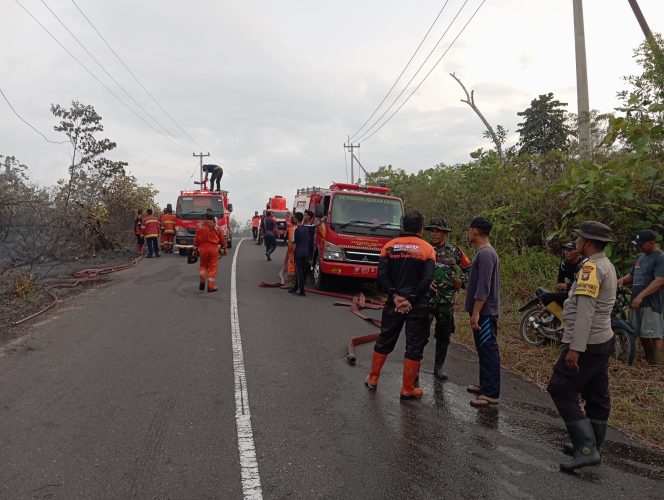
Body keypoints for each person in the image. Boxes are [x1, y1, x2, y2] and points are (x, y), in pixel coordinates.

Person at [546, 221, 617, 472]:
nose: (576, 242)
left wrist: (575, 348)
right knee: (597, 393)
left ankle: (586, 449)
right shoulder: (606, 265)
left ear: (586, 242)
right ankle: (593, 444)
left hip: (587, 342)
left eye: (579, 239)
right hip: (602, 339)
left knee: (560, 388)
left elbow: (585, 312)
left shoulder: (591, 269)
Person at [365, 211, 435, 400]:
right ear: (421, 228)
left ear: (403, 226)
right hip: (418, 304)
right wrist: (410, 298)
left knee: (385, 338)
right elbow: (428, 279)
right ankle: (407, 388)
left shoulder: (388, 247)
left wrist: (395, 296)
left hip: (393, 303)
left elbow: (381, 277)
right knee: (414, 345)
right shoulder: (427, 249)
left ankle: (373, 378)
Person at [425, 218, 472, 381]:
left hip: (446, 302)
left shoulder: (455, 251)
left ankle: (439, 367)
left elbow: (469, 269)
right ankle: (414, 367)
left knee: (444, 335)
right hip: (426, 300)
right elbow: (414, 271)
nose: (434, 233)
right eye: (432, 230)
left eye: (438, 230)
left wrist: (462, 281)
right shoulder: (424, 249)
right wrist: (424, 282)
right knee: (420, 334)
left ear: (445, 233)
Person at [465, 216, 501, 408]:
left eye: (470, 230)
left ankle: (491, 393)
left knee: (488, 350)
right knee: (483, 349)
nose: (469, 234)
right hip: (483, 312)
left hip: (485, 313)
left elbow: (484, 287)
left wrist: (476, 312)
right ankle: (485, 384)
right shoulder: (482, 252)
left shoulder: (486, 253)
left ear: (475, 231)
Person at [617, 229, 664, 365]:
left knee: (655, 334)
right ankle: (650, 360)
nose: (639, 247)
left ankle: (659, 366)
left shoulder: (660, 257)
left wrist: (641, 296)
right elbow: (632, 274)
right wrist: (621, 280)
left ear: (652, 242)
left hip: (652, 303)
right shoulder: (640, 257)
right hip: (636, 302)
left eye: (641, 244)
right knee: (642, 334)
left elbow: (660, 280)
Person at [541, 241, 583, 314]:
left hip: (580, 294)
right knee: (544, 295)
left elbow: (583, 283)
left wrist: (567, 285)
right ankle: (560, 318)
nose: (566, 252)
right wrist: (559, 286)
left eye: (570, 250)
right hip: (569, 292)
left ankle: (565, 320)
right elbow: (560, 281)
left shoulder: (584, 264)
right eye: (565, 250)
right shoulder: (563, 265)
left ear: (578, 252)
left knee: (546, 297)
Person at [194, 212, 226, 292]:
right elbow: (221, 239)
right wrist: (224, 246)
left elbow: (196, 239)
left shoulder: (200, 226)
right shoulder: (216, 227)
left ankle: (202, 280)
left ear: (205, 218)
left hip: (203, 248)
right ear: (213, 218)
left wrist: (195, 248)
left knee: (203, 266)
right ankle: (211, 286)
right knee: (212, 267)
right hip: (213, 248)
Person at [289, 212, 310, 296]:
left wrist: (291, 254)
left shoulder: (296, 229)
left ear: (297, 219)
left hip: (299, 253)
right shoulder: (306, 228)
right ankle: (295, 287)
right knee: (303, 272)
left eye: (294, 218)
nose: (293, 219)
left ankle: (302, 291)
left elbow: (294, 244)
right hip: (306, 253)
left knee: (298, 272)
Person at [281, 215, 297, 289]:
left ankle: (290, 283)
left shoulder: (294, 228)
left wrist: (292, 251)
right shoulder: (292, 227)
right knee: (291, 265)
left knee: (291, 266)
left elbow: (293, 241)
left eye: (292, 219)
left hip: (293, 250)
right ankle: (292, 282)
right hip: (291, 250)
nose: (291, 220)